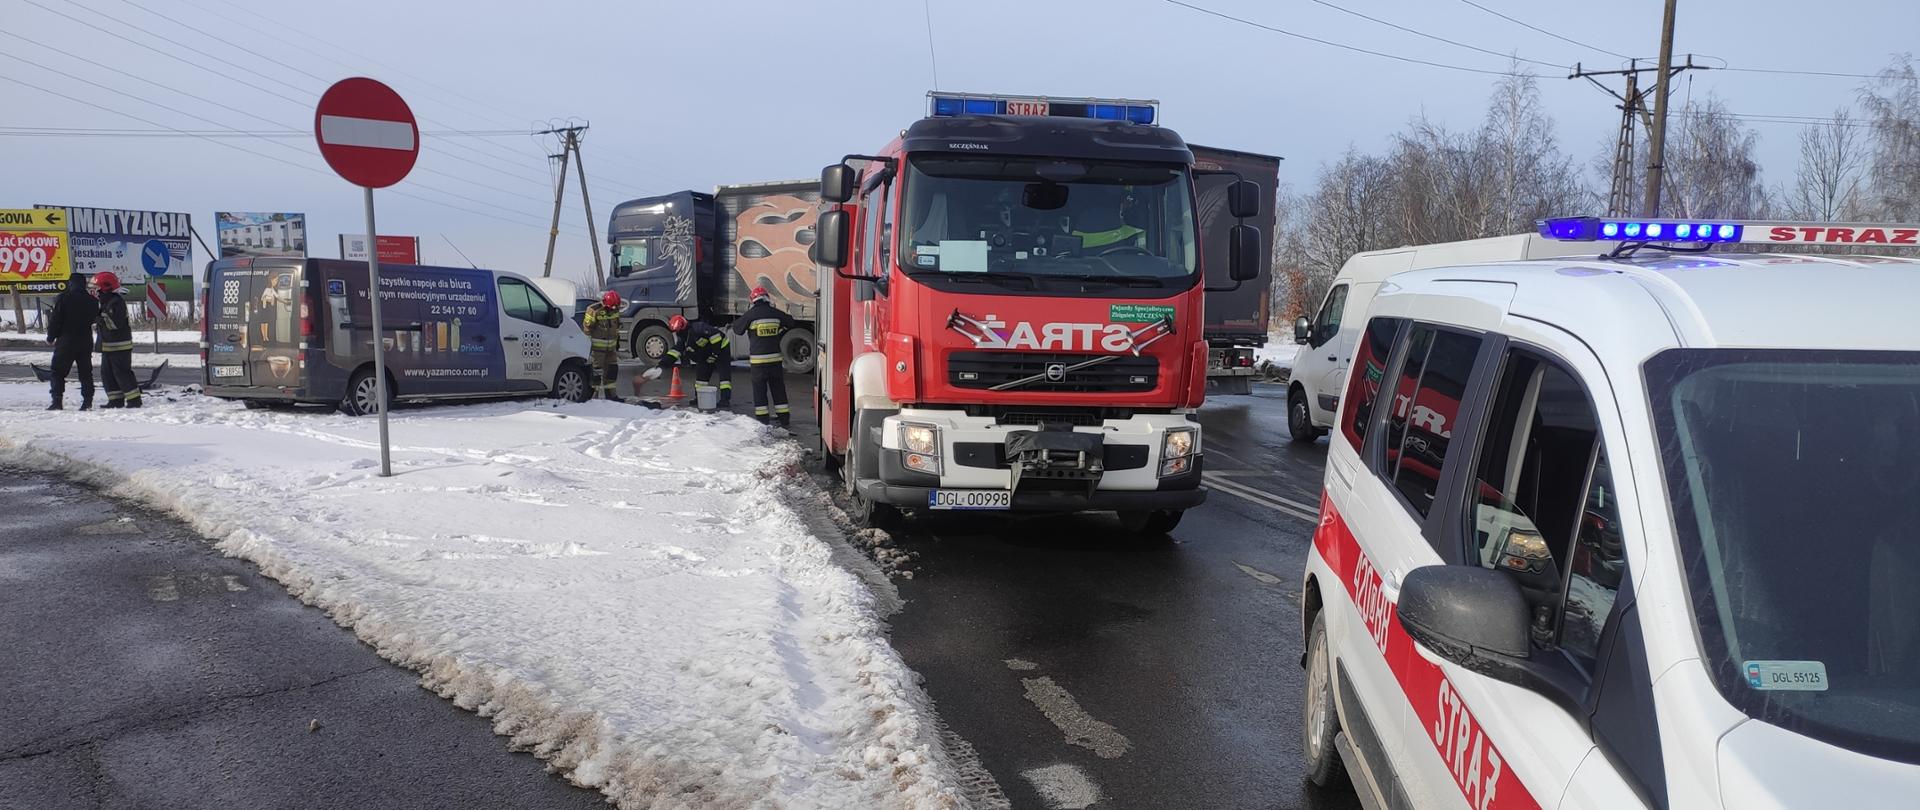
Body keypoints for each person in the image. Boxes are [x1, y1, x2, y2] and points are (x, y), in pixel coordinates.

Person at [729, 286, 796, 426]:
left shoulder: (750, 315)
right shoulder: (775, 313)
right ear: (767, 298)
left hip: (758, 362)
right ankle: (784, 418)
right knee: (778, 389)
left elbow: (737, 329)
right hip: (775, 361)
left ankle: (762, 419)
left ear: (753, 300)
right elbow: (790, 322)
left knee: (759, 391)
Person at [642, 315, 731, 409]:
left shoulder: (698, 328)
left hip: (721, 349)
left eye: (678, 330)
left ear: (683, 326)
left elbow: (716, 337)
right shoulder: (683, 339)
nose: (677, 333)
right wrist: (662, 364)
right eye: (675, 331)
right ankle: (699, 398)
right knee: (701, 378)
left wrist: (714, 354)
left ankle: (725, 400)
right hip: (705, 353)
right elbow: (675, 352)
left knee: (724, 377)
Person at [44, 273, 100, 411]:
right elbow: (95, 318)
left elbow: (55, 320)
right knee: (86, 372)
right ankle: (87, 401)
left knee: (57, 371)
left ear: (70, 283)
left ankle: (57, 400)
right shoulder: (91, 300)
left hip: (66, 340)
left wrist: (51, 337)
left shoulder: (63, 298)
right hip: (85, 340)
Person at [92, 271, 140, 409]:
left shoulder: (116, 302)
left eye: (97, 288)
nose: (95, 291)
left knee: (122, 373)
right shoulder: (105, 302)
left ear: (105, 287)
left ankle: (134, 400)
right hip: (108, 346)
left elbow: (114, 324)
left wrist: (97, 318)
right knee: (107, 374)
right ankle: (115, 400)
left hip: (119, 346)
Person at [582, 290, 624, 399]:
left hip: (611, 349)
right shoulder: (594, 310)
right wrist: (587, 347)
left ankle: (611, 395)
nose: (614, 309)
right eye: (612, 307)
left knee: (612, 371)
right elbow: (587, 330)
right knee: (596, 373)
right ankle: (593, 397)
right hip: (597, 350)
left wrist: (617, 343)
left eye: (616, 307)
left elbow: (616, 327)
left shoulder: (615, 310)